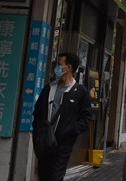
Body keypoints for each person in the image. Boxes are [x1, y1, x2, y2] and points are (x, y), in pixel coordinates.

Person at [32, 52, 92, 181]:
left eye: (59, 65)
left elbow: (86, 117)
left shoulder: (80, 92)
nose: (56, 68)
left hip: (63, 144)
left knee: (55, 176)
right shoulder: (49, 88)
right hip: (45, 143)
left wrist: (70, 131)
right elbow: (37, 112)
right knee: (43, 175)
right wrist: (38, 130)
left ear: (68, 68)